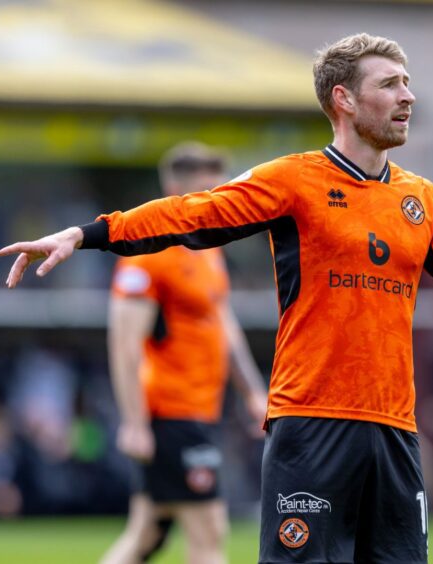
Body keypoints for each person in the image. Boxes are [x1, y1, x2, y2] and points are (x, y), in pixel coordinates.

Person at [0, 33, 433, 564]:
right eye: (389, 84)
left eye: (408, 82)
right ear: (343, 99)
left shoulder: (424, 202)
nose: (407, 95)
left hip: (394, 431)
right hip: (312, 425)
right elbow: (192, 213)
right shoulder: (295, 181)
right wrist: (87, 234)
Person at [98, 142, 269, 564]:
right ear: (173, 186)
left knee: (147, 534)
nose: (211, 202)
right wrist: (134, 422)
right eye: (202, 189)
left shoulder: (208, 247)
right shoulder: (147, 253)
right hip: (171, 414)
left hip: (200, 409)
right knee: (209, 533)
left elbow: (222, 323)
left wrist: (252, 392)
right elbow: (123, 341)